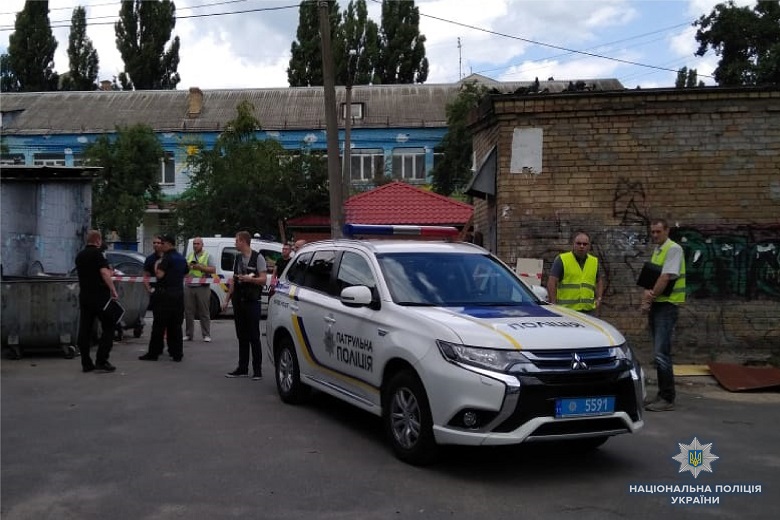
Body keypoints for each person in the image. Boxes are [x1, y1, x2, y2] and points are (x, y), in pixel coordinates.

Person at [642, 219, 686, 412]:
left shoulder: (673, 249)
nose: (654, 235)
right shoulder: (659, 250)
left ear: (667, 231)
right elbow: (652, 277)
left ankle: (667, 398)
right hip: (658, 305)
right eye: (652, 232)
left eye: (658, 231)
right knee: (659, 353)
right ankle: (661, 395)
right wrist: (647, 298)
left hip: (667, 306)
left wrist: (649, 298)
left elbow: (665, 277)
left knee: (662, 354)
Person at [224, 231, 266, 380]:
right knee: (242, 336)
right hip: (239, 300)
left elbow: (263, 280)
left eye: (236, 241)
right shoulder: (238, 258)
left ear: (243, 241)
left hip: (252, 301)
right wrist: (227, 299)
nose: (235, 243)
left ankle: (257, 370)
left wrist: (250, 280)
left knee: (254, 336)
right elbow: (234, 280)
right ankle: (242, 368)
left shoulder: (258, 257)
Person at [75, 230, 119, 373]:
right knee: (109, 326)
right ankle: (102, 360)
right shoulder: (98, 254)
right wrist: (113, 289)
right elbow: (104, 273)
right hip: (100, 297)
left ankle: (86, 362)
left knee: (85, 328)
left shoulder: (80, 255)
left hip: (85, 296)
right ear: (98, 240)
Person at [139, 234, 189, 362]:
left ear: (168, 244)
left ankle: (154, 353)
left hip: (164, 295)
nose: (161, 246)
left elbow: (159, 274)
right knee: (175, 326)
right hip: (178, 295)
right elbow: (186, 272)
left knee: (159, 326)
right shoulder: (181, 258)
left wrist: (157, 266)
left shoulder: (166, 257)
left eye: (163, 243)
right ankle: (177, 353)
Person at [546, 231, 604, 313]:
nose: (581, 246)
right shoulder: (562, 259)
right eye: (578, 243)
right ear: (573, 244)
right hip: (566, 310)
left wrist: (599, 299)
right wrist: (553, 303)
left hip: (588, 310)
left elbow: (599, 281)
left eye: (585, 244)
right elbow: (552, 282)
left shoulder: (594, 261)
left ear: (589, 246)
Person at [184, 237, 216, 342]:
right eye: (194, 244)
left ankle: (206, 335)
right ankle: (189, 334)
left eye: (197, 244)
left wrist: (200, 267)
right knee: (188, 312)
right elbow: (185, 269)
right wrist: (187, 267)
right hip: (189, 286)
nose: (195, 245)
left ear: (202, 245)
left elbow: (213, 269)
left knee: (204, 311)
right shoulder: (190, 256)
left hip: (202, 286)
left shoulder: (207, 255)